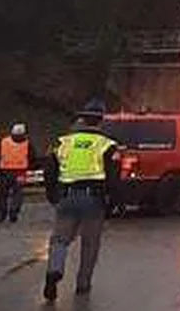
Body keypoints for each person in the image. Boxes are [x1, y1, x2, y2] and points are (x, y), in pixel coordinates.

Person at [42, 99, 121, 301]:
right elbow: (113, 177)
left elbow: (49, 170)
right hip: (93, 200)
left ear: (82, 119)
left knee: (59, 239)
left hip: (66, 196)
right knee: (90, 244)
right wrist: (113, 202)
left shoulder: (62, 142)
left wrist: (52, 195)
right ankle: (83, 284)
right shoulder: (108, 145)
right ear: (101, 120)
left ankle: (54, 271)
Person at [0, 122, 34, 223]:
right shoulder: (27, 144)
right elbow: (32, 158)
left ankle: (1, 216)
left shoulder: (4, 142)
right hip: (20, 172)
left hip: (4, 172)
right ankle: (13, 213)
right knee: (17, 194)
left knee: (2, 195)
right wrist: (29, 167)